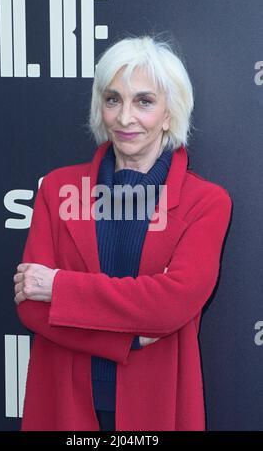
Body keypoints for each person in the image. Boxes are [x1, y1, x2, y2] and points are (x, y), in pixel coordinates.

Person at [13, 35, 232, 431]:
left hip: (157, 403)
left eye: (144, 101)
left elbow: (170, 306)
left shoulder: (207, 202)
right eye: (113, 99)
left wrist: (60, 286)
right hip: (63, 402)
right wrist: (126, 339)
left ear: (169, 112)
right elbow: (31, 305)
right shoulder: (57, 189)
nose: (124, 117)